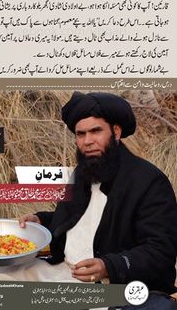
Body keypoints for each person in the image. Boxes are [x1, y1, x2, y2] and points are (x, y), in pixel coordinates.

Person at [19, 91, 177, 309]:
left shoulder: (149, 181)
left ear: (116, 132)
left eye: (96, 131)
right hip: (63, 274)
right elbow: (80, 217)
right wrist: (42, 221)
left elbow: (161, 251)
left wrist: (108, 266)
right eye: (80, 134)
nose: (87, 141)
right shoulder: (83, 173)